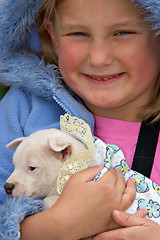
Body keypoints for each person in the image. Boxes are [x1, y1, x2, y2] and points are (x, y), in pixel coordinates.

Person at [0, 0, 160, 239]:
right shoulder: (23, 110)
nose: (98, 58)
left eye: (123, 32)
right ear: (52, 34)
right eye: (78, 33)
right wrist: (55, 227)